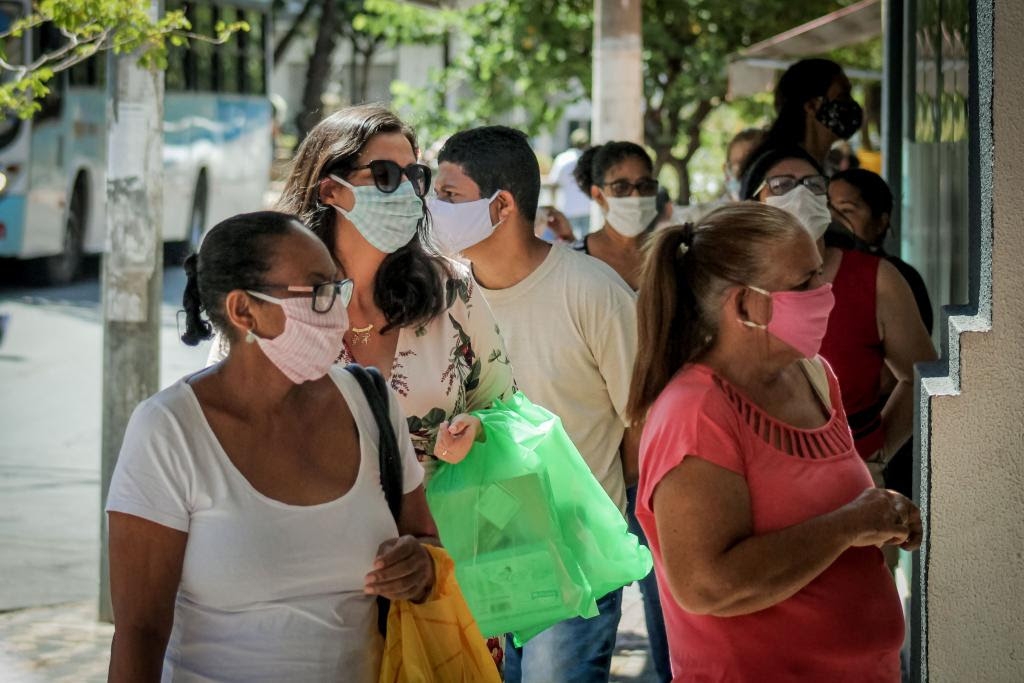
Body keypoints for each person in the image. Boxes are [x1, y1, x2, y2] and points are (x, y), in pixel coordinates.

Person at [105, 212, 449, 681]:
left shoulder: (369, 403)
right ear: (244, 311)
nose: (341, 311)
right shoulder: (169, 429)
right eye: (318, 291)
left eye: (337, 286)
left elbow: (426, 540)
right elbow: (140, 632)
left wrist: (421, 565)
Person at [626, 205, 923, 681]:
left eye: (820, 275)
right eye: (804, 284)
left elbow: (821, 506)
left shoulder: (814, 375)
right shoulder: (696, 412)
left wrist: (880, 514)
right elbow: (709, 586)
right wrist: (848, 526)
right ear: (746, 305)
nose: (825, 295)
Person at [428, 125, 639, 683]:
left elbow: (642, 423)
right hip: (475, 555)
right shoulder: (442, 298)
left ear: (500, 206)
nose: (431, 209)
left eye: (448, 196)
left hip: (572, 560)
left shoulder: (593, 292)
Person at [211, 105, 515, 477]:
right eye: (385, 176)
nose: (406, 191)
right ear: (331, 190)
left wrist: (478, 430)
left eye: (415, 176)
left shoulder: (452, 289)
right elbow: (221, 424)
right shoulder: (270, 300)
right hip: (306, 530)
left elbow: (507, 410)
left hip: (435, 532)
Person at [744, 150, 937, 481]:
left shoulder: (876, 278)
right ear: (753, 202)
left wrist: (877, 453)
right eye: (781, 185)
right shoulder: (732, 285)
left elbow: (921, 375)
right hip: (759, 485)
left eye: (813, 184)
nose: (800, 194)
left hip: (855, 488)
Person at [829, 168, 935, 499]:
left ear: (881, 221)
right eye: (828, 207)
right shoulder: (805, 277)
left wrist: (877, 452)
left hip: (885, 448)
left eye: (847, 210)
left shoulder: (891, 279)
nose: (834, 218)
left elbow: (907, 374)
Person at [570, 140, 661, 289]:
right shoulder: (573, 260)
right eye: (621, 187)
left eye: (645, 185)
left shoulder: (670, 255)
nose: (636, 197)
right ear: (598, 195)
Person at [675, 127, 763, 225]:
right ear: (726, 171)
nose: (749, 174)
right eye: (740, 164)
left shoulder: (777, 208)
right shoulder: (702, 217)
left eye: (755, 164)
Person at [545, 127, 592, 238]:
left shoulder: (563, 159)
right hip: (587, 208)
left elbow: (553, 184)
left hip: (569, 208)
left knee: (570, 244)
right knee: (585, 243)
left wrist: (553, 205)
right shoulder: (589, 160)